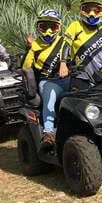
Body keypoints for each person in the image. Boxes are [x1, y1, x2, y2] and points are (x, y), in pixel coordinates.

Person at [22, 10, 67, 148]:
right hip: (48, 81)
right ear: (38, 27)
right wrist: (30, 48)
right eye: (44, 27)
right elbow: (26, 67)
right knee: (50, 96)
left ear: (58, 27)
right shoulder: (35, 45)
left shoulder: (65, 41)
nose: (48, 31)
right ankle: (48, 132)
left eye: (52, 27)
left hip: (68, 80)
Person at [61, 0, 102, 88]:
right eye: (87, 10)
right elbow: (65, 44)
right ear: (82, 11)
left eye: (97, 10)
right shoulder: (75, 26)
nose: (92, 14)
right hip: (80, 74)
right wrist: (63, 64)